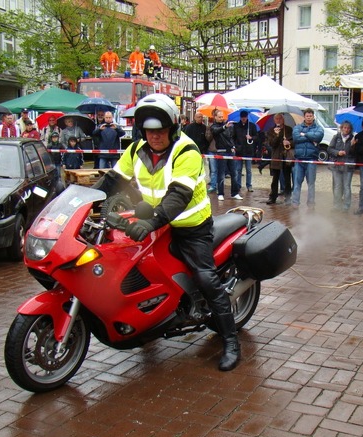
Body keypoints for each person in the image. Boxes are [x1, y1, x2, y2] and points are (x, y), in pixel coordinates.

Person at [93, 93, 241, 371]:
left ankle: (231, 340)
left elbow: (178, 195)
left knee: (205, 277)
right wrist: (82, 200)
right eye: (150, 131)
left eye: (160, 130)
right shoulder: (136, 149)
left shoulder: (186, 151)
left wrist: (151, 222)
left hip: (190, 226)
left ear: (172, 129)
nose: (155, 136)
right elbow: (113, 179)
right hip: (158, 222)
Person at [291, 108, 324, 209]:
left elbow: (318, 137)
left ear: (313, 116)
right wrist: (311, 137)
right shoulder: (297, 127)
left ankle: (311, 204)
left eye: (310, 116)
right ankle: (295, 202)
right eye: (307, 116)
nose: (309, 118)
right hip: (299, 159)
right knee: (297, 183)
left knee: (311, 183)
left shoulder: (319, 128)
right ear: (304, 117)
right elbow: (296, 138)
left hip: (311, 159)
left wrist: (304, 134)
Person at [210, 109, 241, 201]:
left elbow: (231, 137)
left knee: (234, 172)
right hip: (221, 151)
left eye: (222, 117)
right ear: (215, 117)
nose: (221, 118)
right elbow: (216, 131)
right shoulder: (214, 126)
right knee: (221, 173)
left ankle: (235, 193)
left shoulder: (228, 126)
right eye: (219, 117)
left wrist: (233, 146)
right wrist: (224, 127)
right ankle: (220, 193)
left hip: (230, 151)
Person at [265, 113, 294, 205]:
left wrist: (288, 142)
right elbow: (271, 144)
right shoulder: (271, 131)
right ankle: (273, 197)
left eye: (280, 119)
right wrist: (277, 135)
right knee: (275, 178)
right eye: (276, 119)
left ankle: (288, 197)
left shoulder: (288, 129)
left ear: (283, 120)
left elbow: (294, 141)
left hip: (286, 156)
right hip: (276, 156)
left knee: (287, 178)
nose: (278, 120)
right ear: (274, 120)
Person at [327, 121, 354, 212]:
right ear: (341, 128)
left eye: (348, 128)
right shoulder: (336, 137)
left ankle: (346, 206)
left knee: (346, 186)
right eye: (344, 128)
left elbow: (355, 153)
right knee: (337, 186)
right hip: (337, 165)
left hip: (348, 165)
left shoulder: (353, 139)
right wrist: (337, 153)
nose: (346, 130)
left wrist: (352, 145)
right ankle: (336, 205)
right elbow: (329, 149)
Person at [232, 110, 258, 193]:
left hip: (248, 150)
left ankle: (249, 185)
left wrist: (251, 138)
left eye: (245, 117)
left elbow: (256, 136)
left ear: (247, 117)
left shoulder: (252, 126)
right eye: (242, 117)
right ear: (240, 117)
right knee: (238, 169)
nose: (243, 119)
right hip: (239, 150)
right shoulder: (236, 126)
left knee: (248, 169)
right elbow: (233, 137)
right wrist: (235, 146)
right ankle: (238, 185)